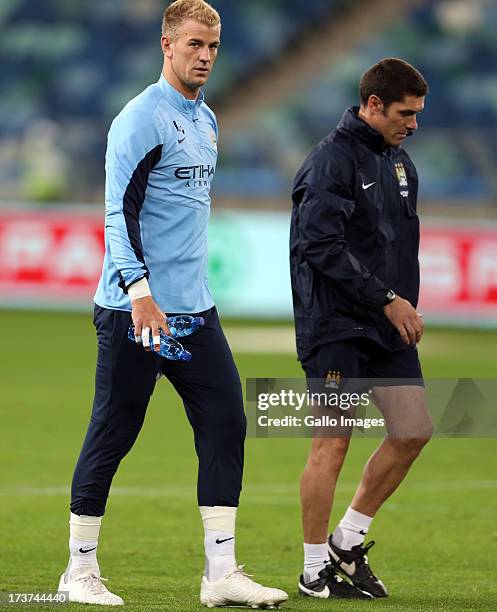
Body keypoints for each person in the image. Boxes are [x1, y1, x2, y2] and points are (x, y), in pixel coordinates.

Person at [57, 1, 288, 607]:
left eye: (213, 46)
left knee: (226, 422)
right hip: (137, 309)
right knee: (115, 429)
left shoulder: (207, 119)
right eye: (194, 45)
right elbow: (117, 212)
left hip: (193, 310)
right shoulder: (141, 118)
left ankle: (221, 574)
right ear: (167, 44)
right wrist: (139, 292)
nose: (206, 56)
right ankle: (78, 570)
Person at [290, 58, 433, 600]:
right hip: (335, 324)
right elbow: (318, 246)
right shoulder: (329, 162)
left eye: (417, 114)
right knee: (332, 442)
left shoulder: (400, 164)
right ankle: (311, 571)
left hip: (385, 325)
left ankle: (346, 541)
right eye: (405, 113)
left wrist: (401, 304)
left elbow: (396, 248)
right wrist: (389, 299)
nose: (413, 123)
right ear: (373, 105)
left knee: (413, 430)